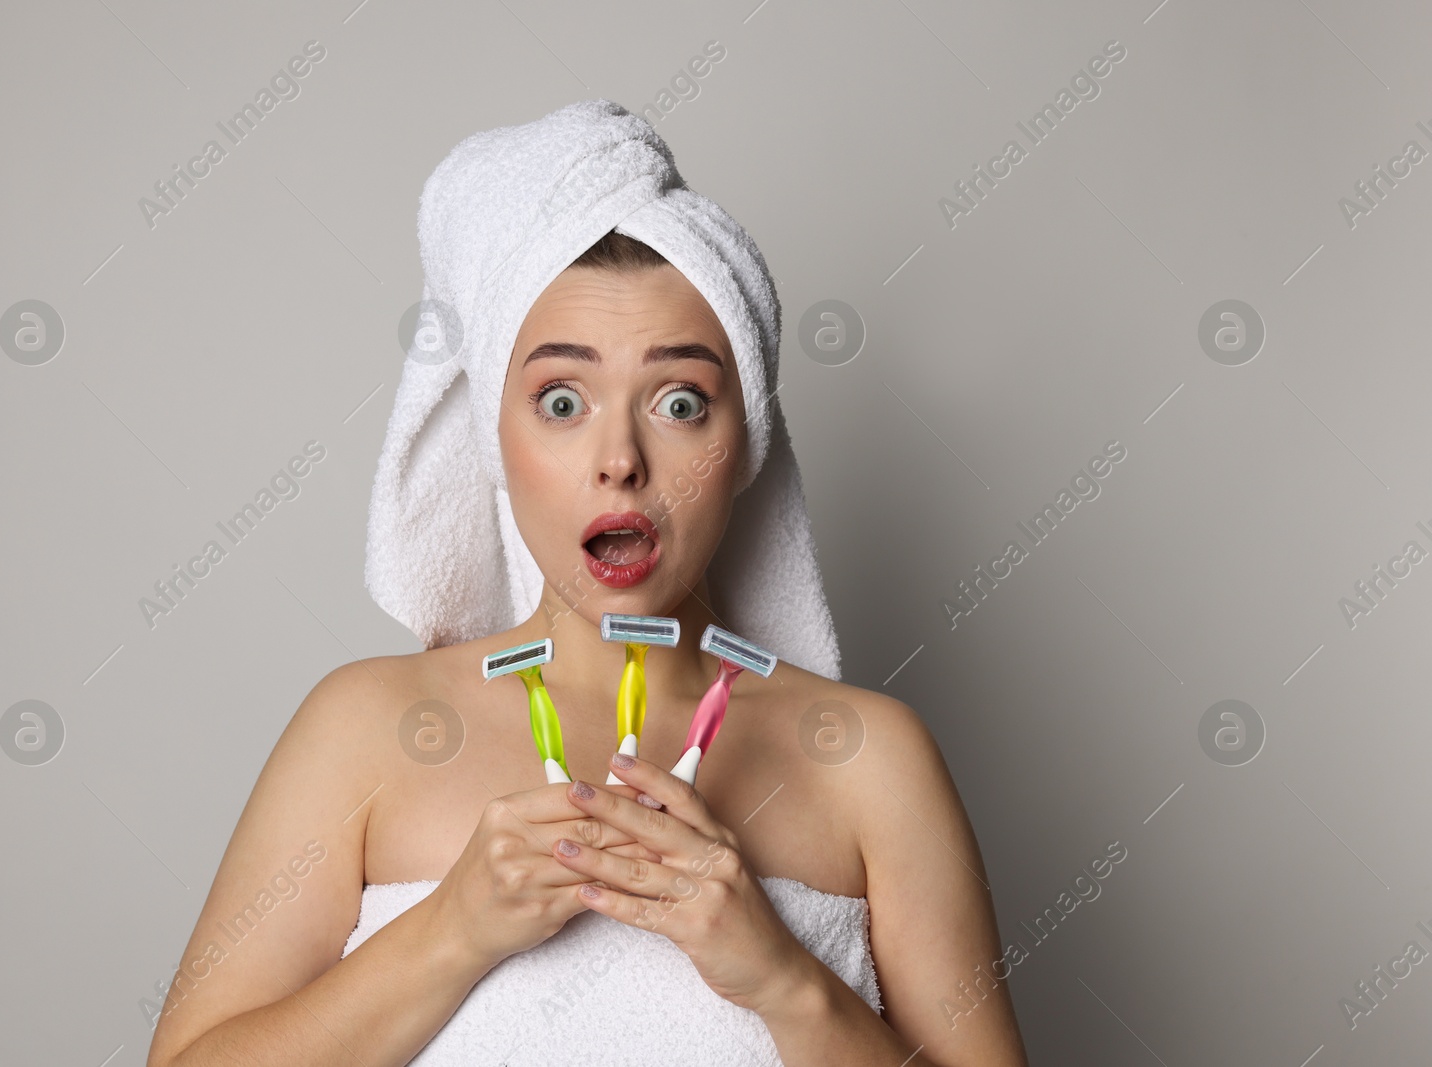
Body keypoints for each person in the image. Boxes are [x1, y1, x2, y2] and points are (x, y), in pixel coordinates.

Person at [145, 101, 1029, 1067]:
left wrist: (781, 977)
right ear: (494, 439)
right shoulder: (362, 730)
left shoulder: (871, 760)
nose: (621, 459)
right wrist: (454, 930)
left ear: (747, 446)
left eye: (680, 400)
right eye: (561, 401)